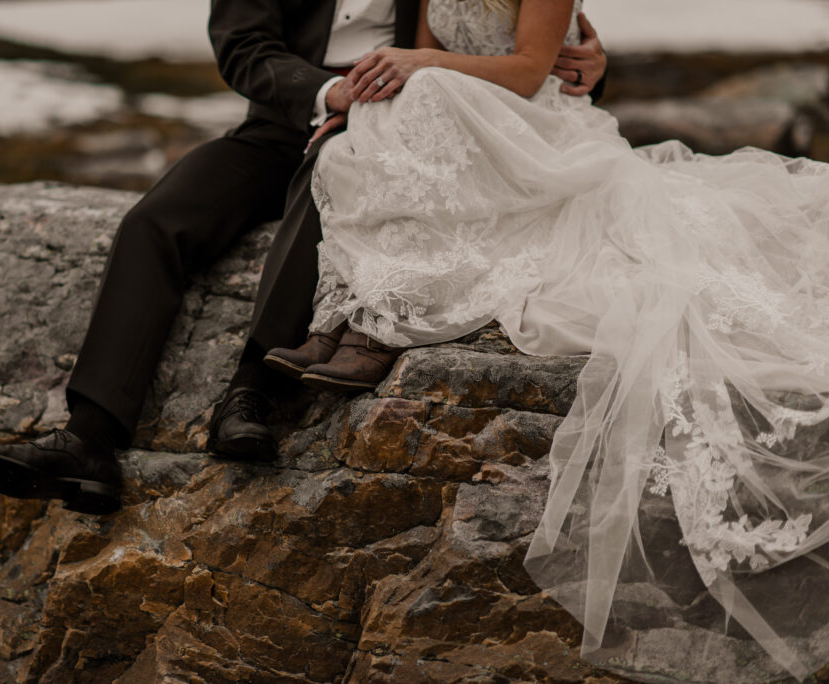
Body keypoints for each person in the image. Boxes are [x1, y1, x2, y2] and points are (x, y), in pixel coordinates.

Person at [257, 0, 829, 680]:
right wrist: (402, 75)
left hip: (536, 127)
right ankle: (356, 310)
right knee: (383, 111)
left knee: (427, 85)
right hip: (477, 117)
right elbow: (412, 54)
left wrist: (425, 63)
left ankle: (381, 323)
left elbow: (529, 72)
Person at [0, 0, 610, 515]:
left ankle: (251, 394)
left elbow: (509, 41)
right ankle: (89, 441)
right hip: (284, 121)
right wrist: (330, 95)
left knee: (326, 185)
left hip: (405, 126)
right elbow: (242, 48)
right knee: (157, 220)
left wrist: (592, 65)